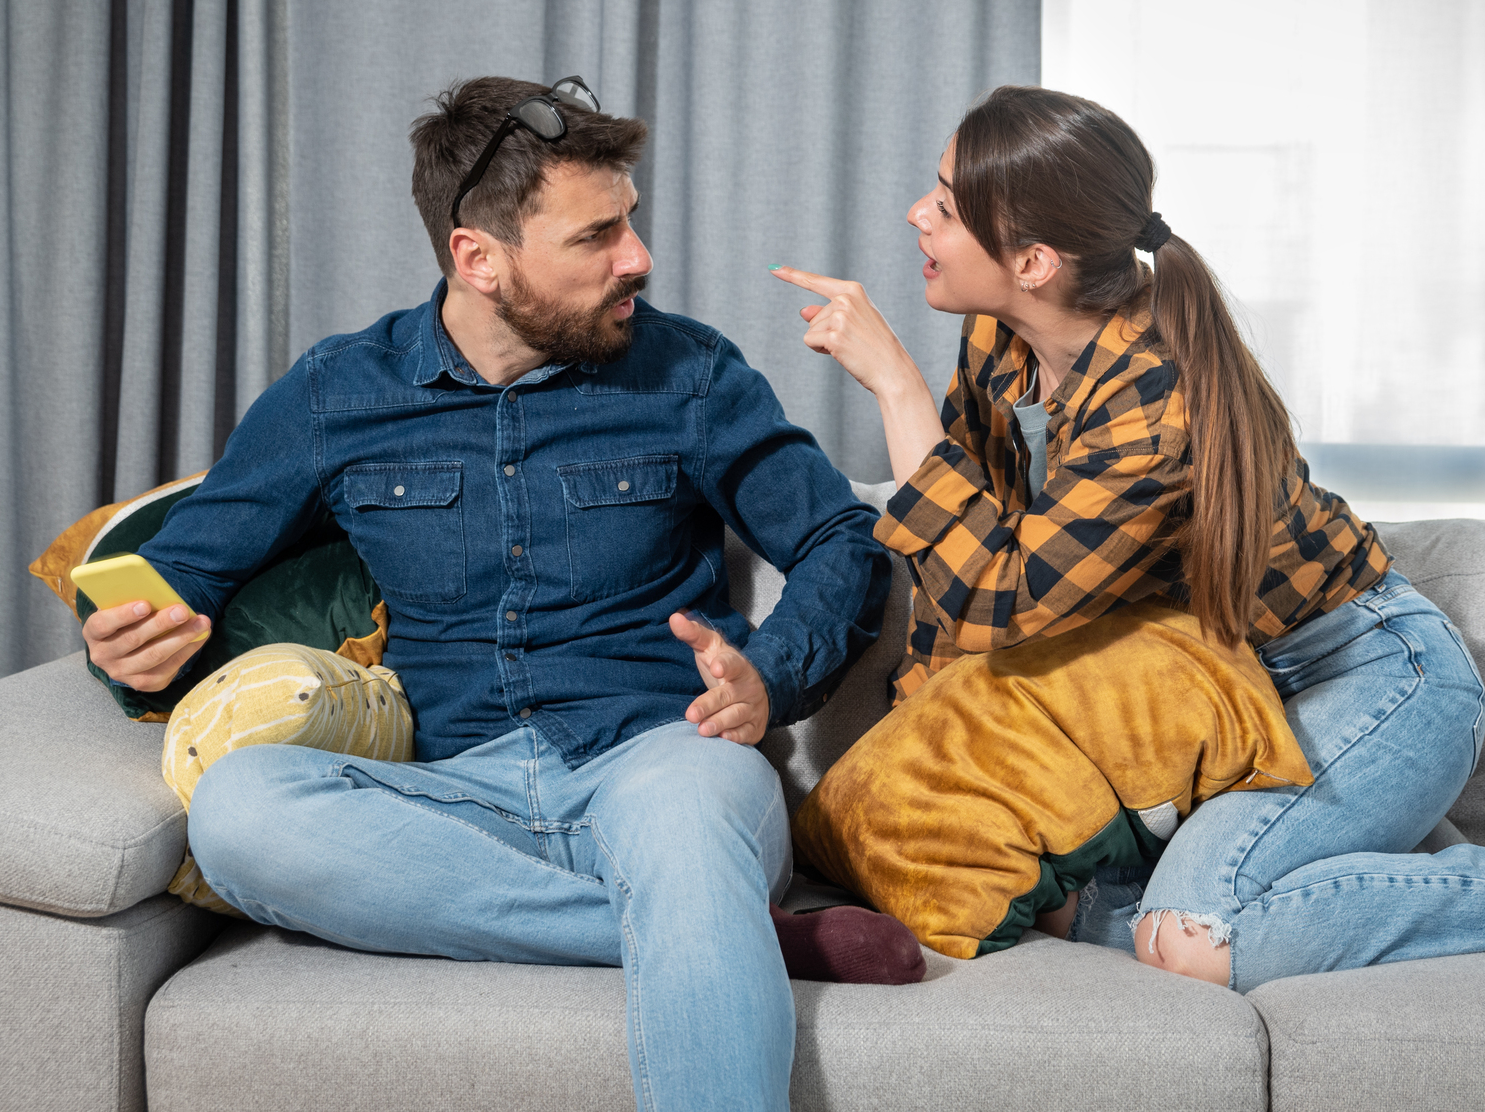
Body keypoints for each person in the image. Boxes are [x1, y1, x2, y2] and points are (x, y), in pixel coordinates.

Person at [770, 84, 1485, 995]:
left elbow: (1002, 602)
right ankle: (1372, 879)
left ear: (1031, 262)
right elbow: (967, 565)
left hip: (1366, 679)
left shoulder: (1151, 401)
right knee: (1078, 901)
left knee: (1191, 939)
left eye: (944, 204)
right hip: (1216, 709)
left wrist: (894, 387)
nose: (916, 213)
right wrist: (914, 740)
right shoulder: (1004, 335)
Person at [82, 75, 917, 1112]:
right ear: (477, 258)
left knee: (692, 844)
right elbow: (185, 569)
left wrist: (768, 678)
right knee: (241, 811)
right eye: (595, 237)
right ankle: (726, 937)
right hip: (448, 793)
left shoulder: (688, 374)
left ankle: (698, 913)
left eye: (631, 224)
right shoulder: (340, 393)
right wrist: (124, 636)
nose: (637, 260)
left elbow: (842, 537)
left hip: (665, 759)